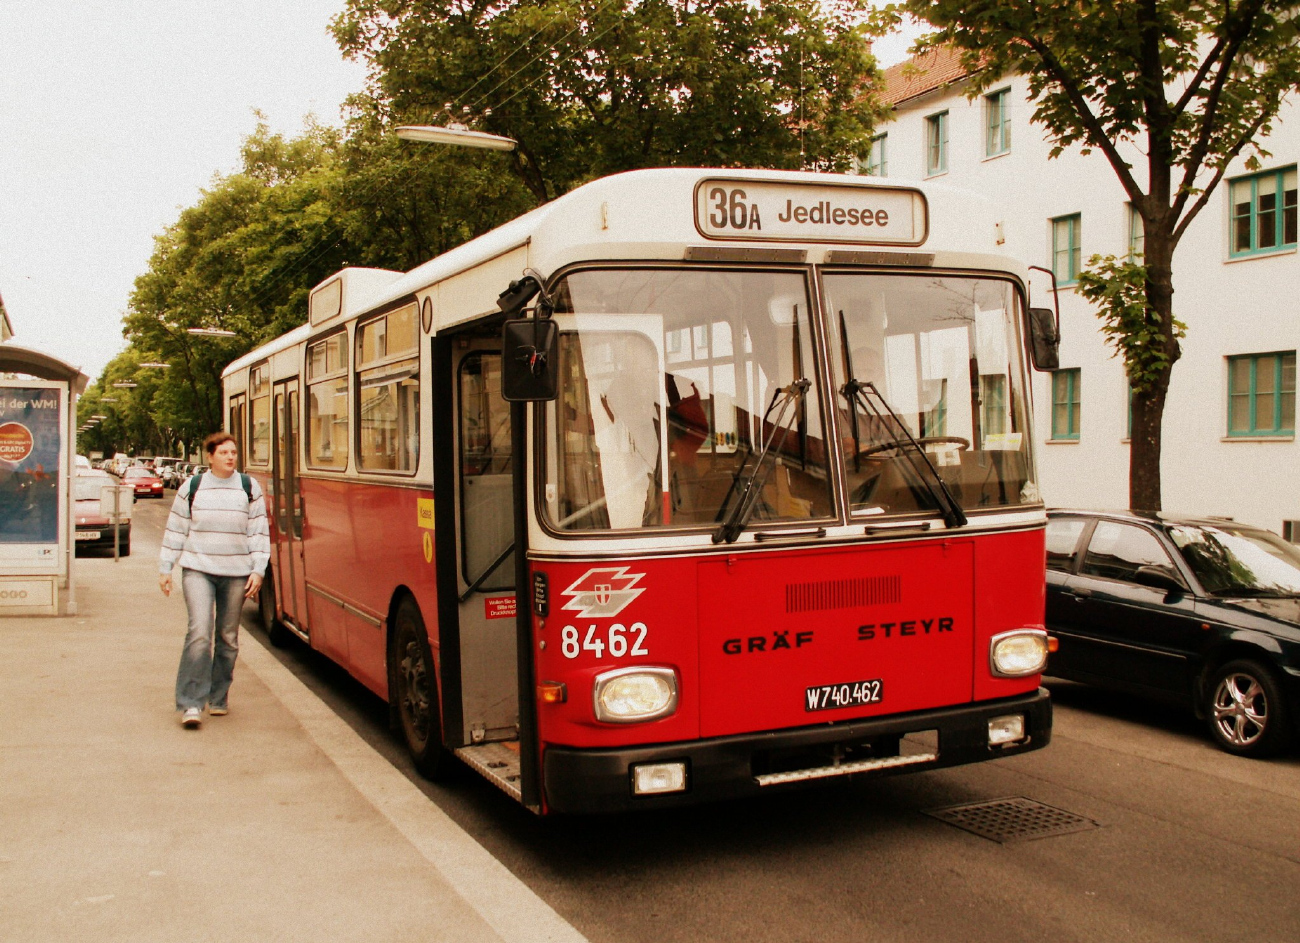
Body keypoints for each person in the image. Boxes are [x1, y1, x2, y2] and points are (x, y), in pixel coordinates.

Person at [159, 433, 269, 729]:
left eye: (234, 452)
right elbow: (176, 528)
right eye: (224, 452)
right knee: (199, 632)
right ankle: (191, 703)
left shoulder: (249, 487)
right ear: (210, 457)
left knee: (228, 638)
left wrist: (258, 569)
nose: (230, 457)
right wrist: (165, 567)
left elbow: (258, 532)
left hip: (236, 573)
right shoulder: (193, 487)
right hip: (198, 569)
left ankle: (218, 696)